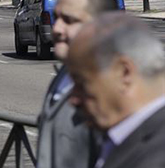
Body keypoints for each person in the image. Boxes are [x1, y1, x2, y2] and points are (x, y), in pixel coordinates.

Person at [36, 0, 119, 168]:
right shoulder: (65, 73)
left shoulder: (113, 88)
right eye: (57, 18)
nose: (56, 28)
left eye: (69, 20)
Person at [67, 13, 165, 168]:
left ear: (124, 72)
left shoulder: (155, 157)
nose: (73, 99)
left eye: (81, 83)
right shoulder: (121, 137)